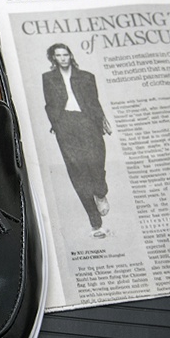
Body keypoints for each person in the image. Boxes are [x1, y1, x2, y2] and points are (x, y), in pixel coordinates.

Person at [42, 43, 112, 238]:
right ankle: (95, 223)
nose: (63, 58)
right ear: (53, 58)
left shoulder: (87, 77)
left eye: (65, 54)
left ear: (70, 56)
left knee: (96, 161)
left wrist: (102, 119)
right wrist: (57, 123)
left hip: (87, 121)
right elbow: (49, 104)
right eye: (58, 55)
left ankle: (100, 192)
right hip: (66, 124)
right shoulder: (48, 78)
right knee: (77, 172)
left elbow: (94, 101)